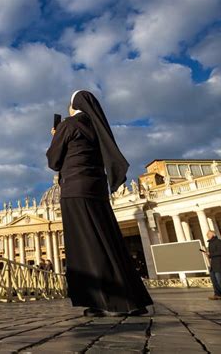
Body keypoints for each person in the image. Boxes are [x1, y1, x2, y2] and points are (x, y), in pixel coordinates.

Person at [46, 90, 153, 317]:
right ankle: (133, 300)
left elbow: (53, 161)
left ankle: (100, 302)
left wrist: (56, 136)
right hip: (98, 190)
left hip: (75, 190)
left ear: (74, 105)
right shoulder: (96, 127)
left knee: (86, 246)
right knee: (108, 242)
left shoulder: (68, 125)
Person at [206, 230, 221, 300]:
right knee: (214, 280)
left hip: (219, 264)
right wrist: (208, 255)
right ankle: (216, 294)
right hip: (213, 265)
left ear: (213, 234)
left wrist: (210, 254)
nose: (207, 236)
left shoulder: (219, 242)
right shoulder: (210, 243)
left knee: (219, 280)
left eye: (208, 235)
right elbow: (212, 254)